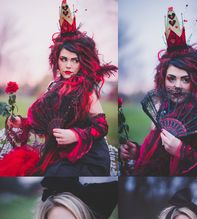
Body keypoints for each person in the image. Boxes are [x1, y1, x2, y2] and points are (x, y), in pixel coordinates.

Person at [0, 0, 117, 177]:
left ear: (81, 62)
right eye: (64, 59)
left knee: (54, 174)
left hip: (88, 158)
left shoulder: (86, 89)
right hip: (60, 155)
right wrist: (21, 123)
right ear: (57, 60)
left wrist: (76, 135)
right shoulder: (54, 87)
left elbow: (102, 126)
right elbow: (43, 122)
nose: (68, 65)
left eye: (74, 60)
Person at [120, 7, 197, 176]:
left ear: (194, 82)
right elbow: (156, 157)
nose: (177, 86)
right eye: (171, 78)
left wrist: (181, 150)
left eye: (185, 79)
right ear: (163, 79)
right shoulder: (160, 108)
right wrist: (136, 153)